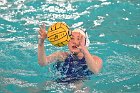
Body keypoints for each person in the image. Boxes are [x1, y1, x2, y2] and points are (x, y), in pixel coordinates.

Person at [38, 24, 102, 92]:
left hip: (81, 84)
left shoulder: (96, 59)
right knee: (44, 85)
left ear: (85, 43)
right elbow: (42, 63)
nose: (75, 42)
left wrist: (84, 50)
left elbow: (95, 70)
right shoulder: (62, 56)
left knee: (79, 86)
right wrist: (41, 43)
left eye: (79, 39)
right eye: (72, 38)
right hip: (60, 83)